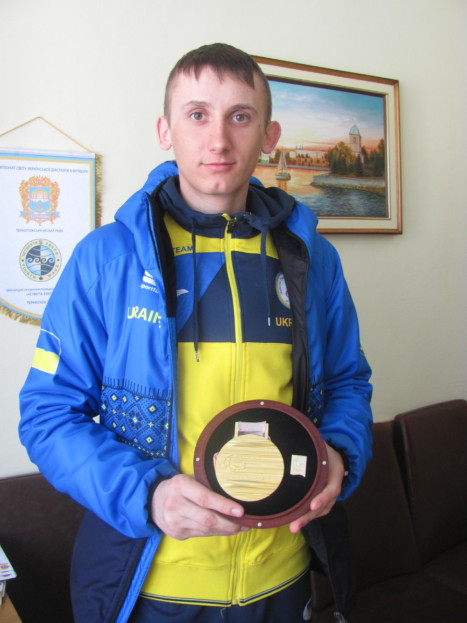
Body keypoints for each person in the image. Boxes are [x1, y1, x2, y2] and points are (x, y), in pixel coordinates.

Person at [19, 43, 372, 623]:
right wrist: (149, 496)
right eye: (197, 114)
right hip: (151, 589)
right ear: (166, 130)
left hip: (282, 582)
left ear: (269, 135)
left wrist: (339, 453)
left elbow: (348, 383)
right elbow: (48, 414)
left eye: (240, 116)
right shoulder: (105, 259)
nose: (219, 140)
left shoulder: (313, 259)